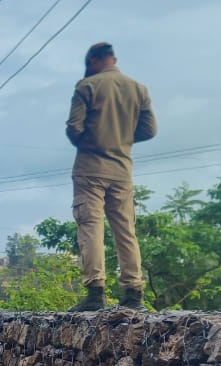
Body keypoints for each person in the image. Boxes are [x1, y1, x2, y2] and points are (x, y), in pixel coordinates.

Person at [65, 42, 156, 311]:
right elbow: (150, 130)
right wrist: (122, 139)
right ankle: (134, 293)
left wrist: (94, 141)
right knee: (126, 231)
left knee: (91, 227)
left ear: (93, 61)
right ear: (113, 60)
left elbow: (74, 128)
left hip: (90, 168)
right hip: (122, 170)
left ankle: (95, 293)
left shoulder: (87, 87)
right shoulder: (138, 88)